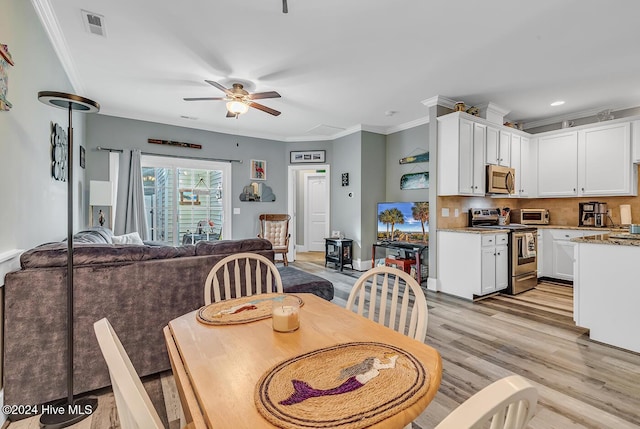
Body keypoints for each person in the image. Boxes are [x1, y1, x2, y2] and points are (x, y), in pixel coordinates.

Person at [279, 354, 399, 405]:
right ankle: (306, 393)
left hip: (354, 380)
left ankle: (306, 392)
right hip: (357, 383)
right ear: (372, 362)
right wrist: (393, 359)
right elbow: (390, 366)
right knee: (335, 392)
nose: (379, 361)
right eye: (377, 361)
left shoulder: (364, 370)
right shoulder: (373, 367)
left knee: (334, 391)